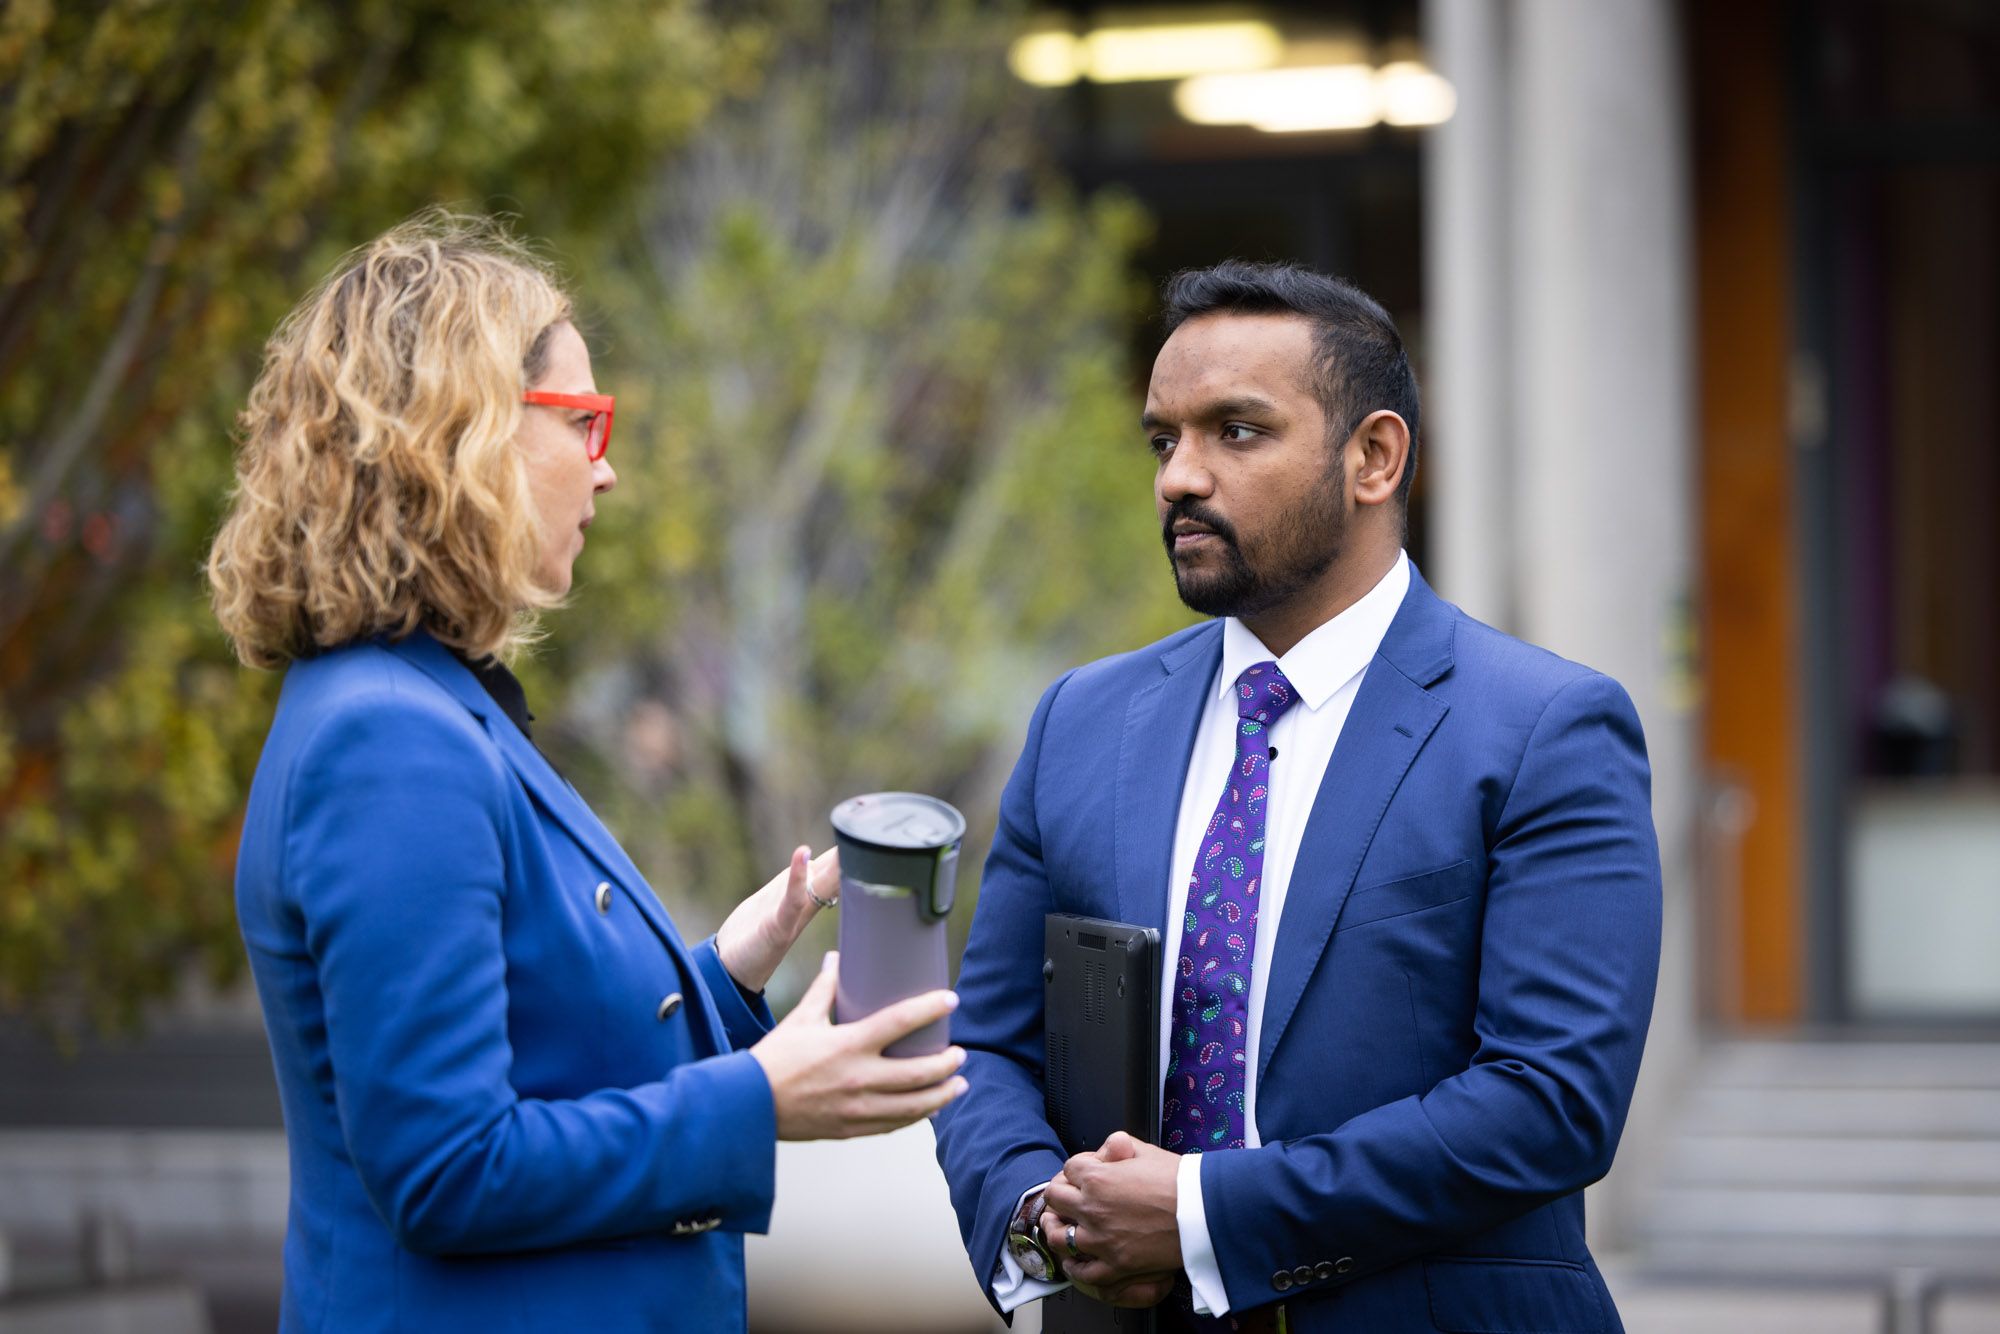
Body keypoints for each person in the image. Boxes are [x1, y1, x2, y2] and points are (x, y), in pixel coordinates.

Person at [206, 212, 967, 1333]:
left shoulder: (420, 702)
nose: (605, 471)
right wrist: (757, 1100)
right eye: (587, 421)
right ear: (463, 436)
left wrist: (725, 973)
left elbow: (545, 1053)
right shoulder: (391, 739)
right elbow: (448, 1166)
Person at [933, 260, 1662, 1333]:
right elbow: (992, 1044)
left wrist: (1200, 1214)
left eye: (1234, 431)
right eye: (1161, 439)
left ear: (1371, 456)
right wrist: (1042, 1214)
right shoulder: (1081, 723)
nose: (1178, 476)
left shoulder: (1544, 728)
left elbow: (1549, 1101)